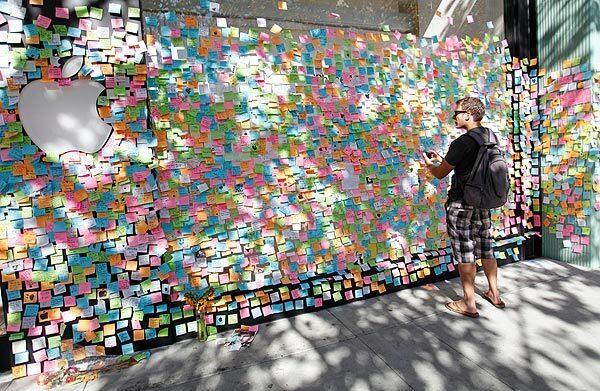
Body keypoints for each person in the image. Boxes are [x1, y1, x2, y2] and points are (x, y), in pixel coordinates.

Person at [422, 97, 505, 318]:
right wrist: (445, 160)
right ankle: (494, 294)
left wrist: (431, 164)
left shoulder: (461, 143)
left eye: (457, 113)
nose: (454, 117)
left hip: (461, 203)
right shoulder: (490, 136)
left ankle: (469, 303)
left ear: (468, 114)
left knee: (465, 250)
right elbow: (468, 165)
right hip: (483, 201)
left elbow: (441, 174)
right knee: (486, 245)